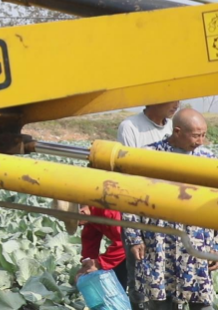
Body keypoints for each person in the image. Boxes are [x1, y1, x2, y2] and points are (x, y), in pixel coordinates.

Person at [123, 108, 217, 310]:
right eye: (196, 135)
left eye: (203, 135)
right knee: (160, 303)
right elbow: (129, 198)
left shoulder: (208, 160)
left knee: (201, 302)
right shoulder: (149, 157)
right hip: (157, 245)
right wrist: (134, 238)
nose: (201, 141)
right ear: (177, 132)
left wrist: (217, 245)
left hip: (196, 246)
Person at [116, 100, 179, 308]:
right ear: (154, 99)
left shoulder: (173, 126)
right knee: (140, 280)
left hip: (169, 218)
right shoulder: (131, 127)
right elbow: (128, 180)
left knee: (170, 280)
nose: (176, 104)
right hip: (141, 217)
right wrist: (134, 235)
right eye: (171, 99)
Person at [75, 205, 128, 289]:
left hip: (143, 243)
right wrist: (87, 264)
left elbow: (125, 241)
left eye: (79, 223)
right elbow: (90, 239)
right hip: (127, 246)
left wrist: (99, 263)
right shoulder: (91, 217)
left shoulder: (108, 212)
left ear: (82, 212)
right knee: (117, 279)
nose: (80, 225)